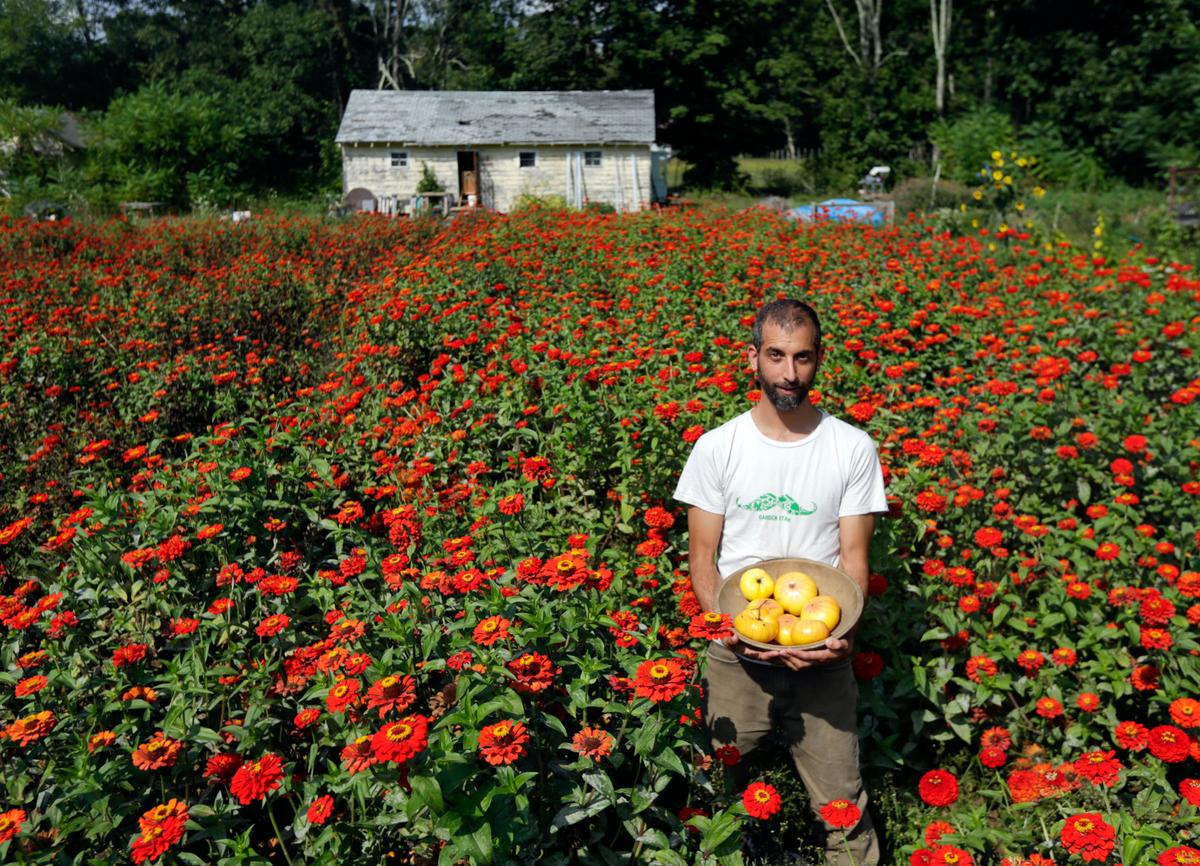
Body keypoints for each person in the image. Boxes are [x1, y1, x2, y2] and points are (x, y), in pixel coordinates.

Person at [673, 298, 886, 865]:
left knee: (843, 806)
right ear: (753, 359)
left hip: (824, 656)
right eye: (776, 356)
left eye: (802, 357)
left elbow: (853, 558)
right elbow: (702, 556)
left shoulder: (852, 448)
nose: (789, 373)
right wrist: (728, 630)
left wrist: (839, 638)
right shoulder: (719, 447)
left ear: (819, 361)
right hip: (735, 657)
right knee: (712, 794)